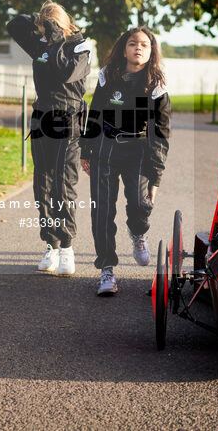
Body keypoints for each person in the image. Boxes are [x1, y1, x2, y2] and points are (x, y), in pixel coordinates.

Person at [81, 27, 170, 296]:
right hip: (106, 150)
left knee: (141, 203)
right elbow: (95, 112)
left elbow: (161, 131)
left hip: (139, 152)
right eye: (133, 44)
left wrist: (155, 175)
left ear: (152, 51)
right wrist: (86, 150)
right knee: (102, 211)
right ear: (124, 48)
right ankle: (107, 269)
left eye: (144, 45)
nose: (138, 48)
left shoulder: (157, 85)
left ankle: (138, 232)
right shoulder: (108, 76)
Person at [7, 0, 91, 276]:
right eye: (41, 30)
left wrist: (56, 37)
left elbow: (66, 73)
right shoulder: (40, 45)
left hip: (68, 122)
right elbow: (14, 24)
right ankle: (51, 244)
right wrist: (39, 19)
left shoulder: (79, 48)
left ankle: (67, 246)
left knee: (63, 185)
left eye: (47, 28)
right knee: (42, 185)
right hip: (42, 120)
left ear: (61, 25)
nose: (42, 34)